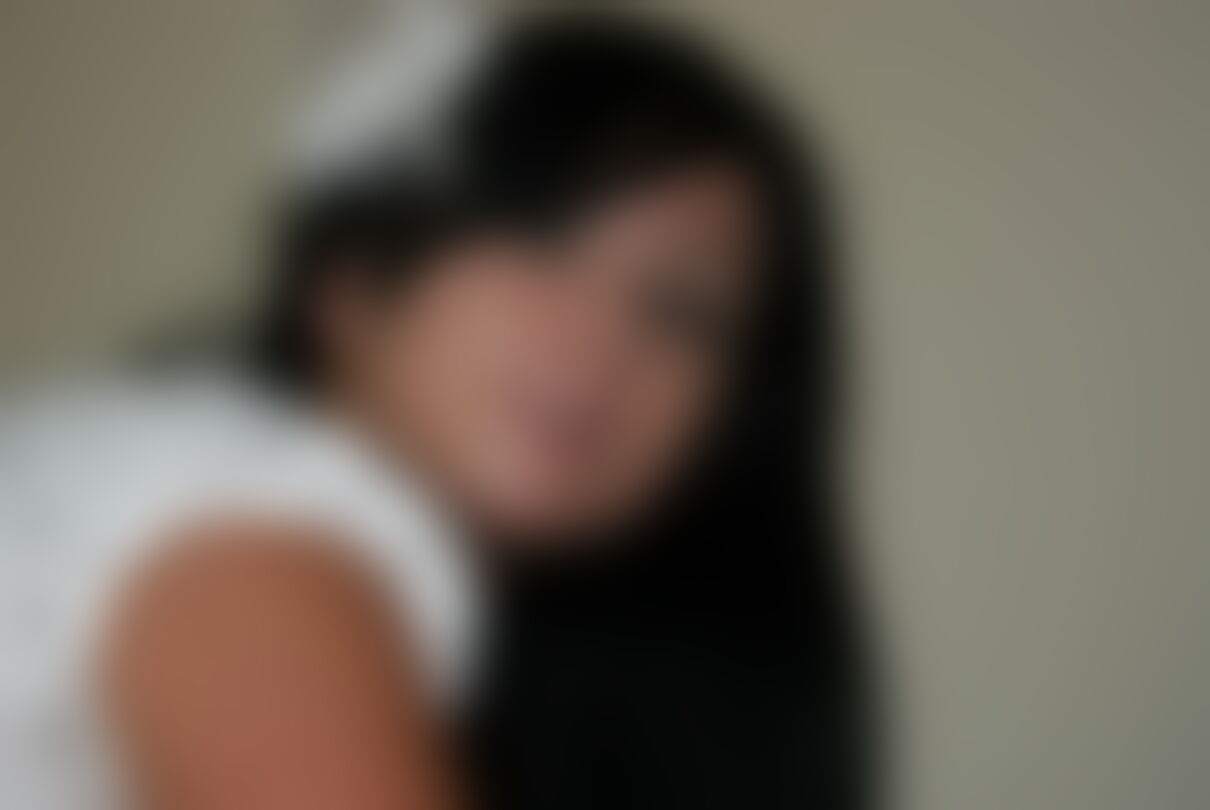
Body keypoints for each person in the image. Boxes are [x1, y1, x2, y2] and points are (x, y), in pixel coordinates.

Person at [0, 12, 870, 810]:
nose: (601, 337)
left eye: (680, 309)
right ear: (350, 284)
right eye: (540, 238)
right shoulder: (240, 491)